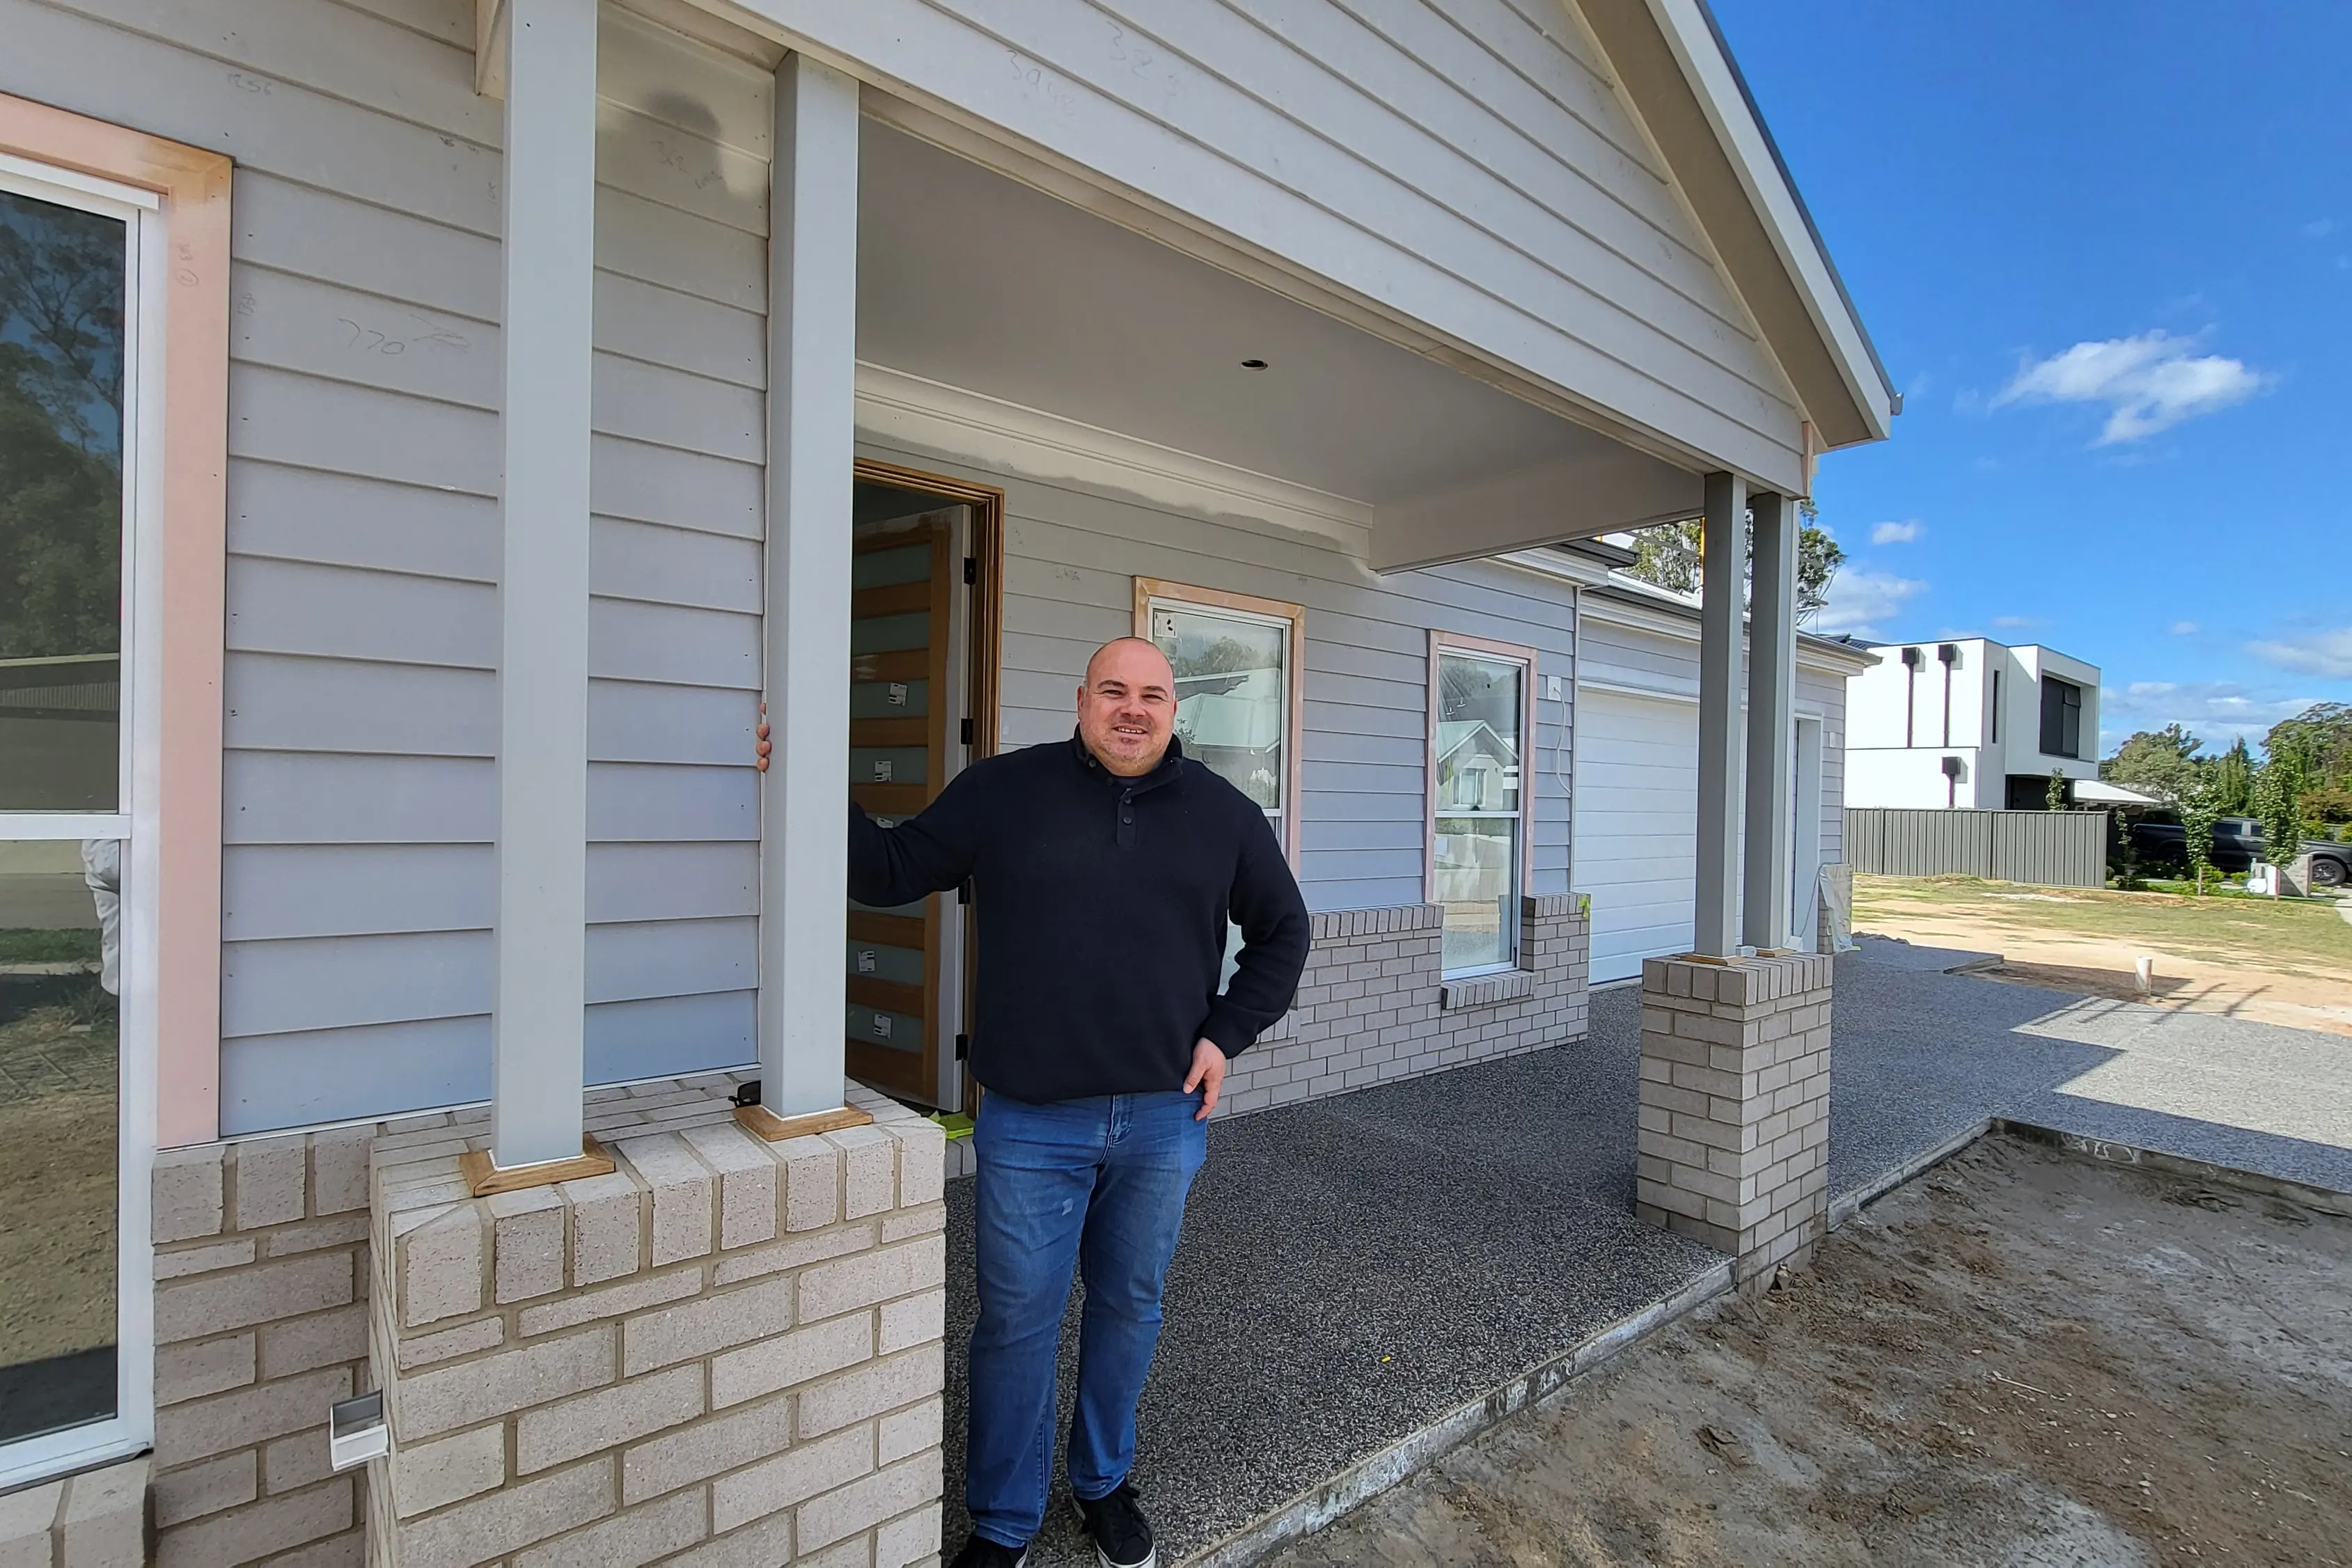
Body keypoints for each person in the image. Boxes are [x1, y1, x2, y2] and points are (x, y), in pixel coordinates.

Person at [764, 636, 1309, 1568]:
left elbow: (1282, 931)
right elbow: (890, 873)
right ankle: (1003, 1520)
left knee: (1128, 1306)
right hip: (1029, 1121)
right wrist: (810, 780)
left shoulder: (1222, 816)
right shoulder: (1003, 793)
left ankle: (1103, 1484)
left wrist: (1225, 1035)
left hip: (1158, 1118)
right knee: (1016, 1322)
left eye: (1152, 694)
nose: (1132, 709)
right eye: (1113, 690)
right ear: (1082, 699)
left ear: (1175, 710)